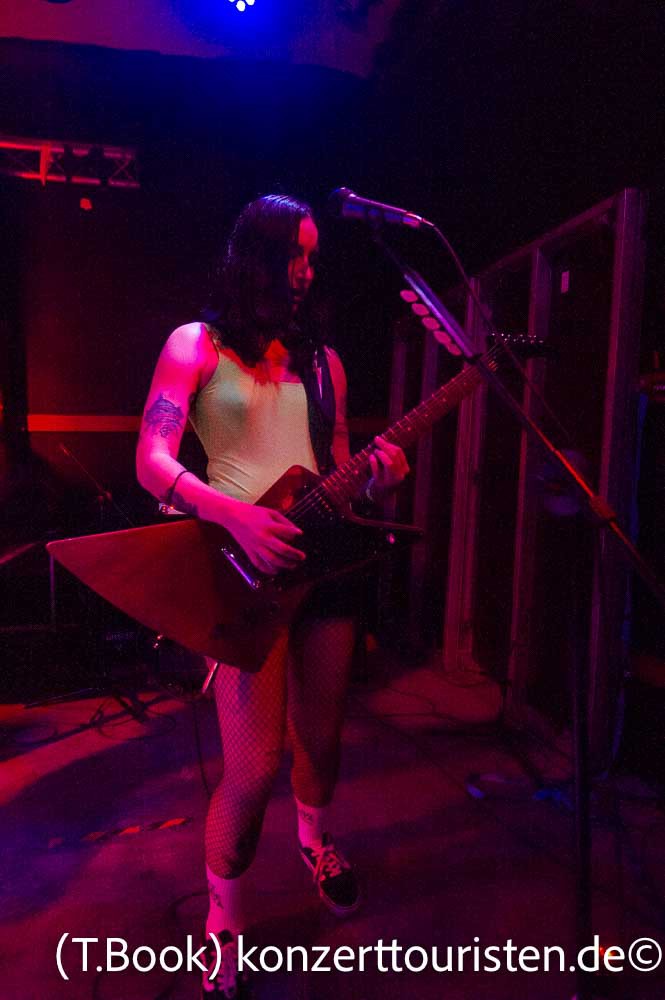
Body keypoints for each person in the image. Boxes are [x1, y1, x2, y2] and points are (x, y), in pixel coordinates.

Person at [136, 194, 409, 998]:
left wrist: (377, 483)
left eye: (313, 256)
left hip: (322, 572)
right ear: (255, 254)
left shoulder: (323, 364)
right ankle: (224, 918)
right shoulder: (194, 345)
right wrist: (234, 516)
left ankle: (314, 840)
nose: (307, 270)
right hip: (241, 577)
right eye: (296, 252)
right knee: (255, 768)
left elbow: (340, 469)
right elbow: (152, 460)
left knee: (321, 741)